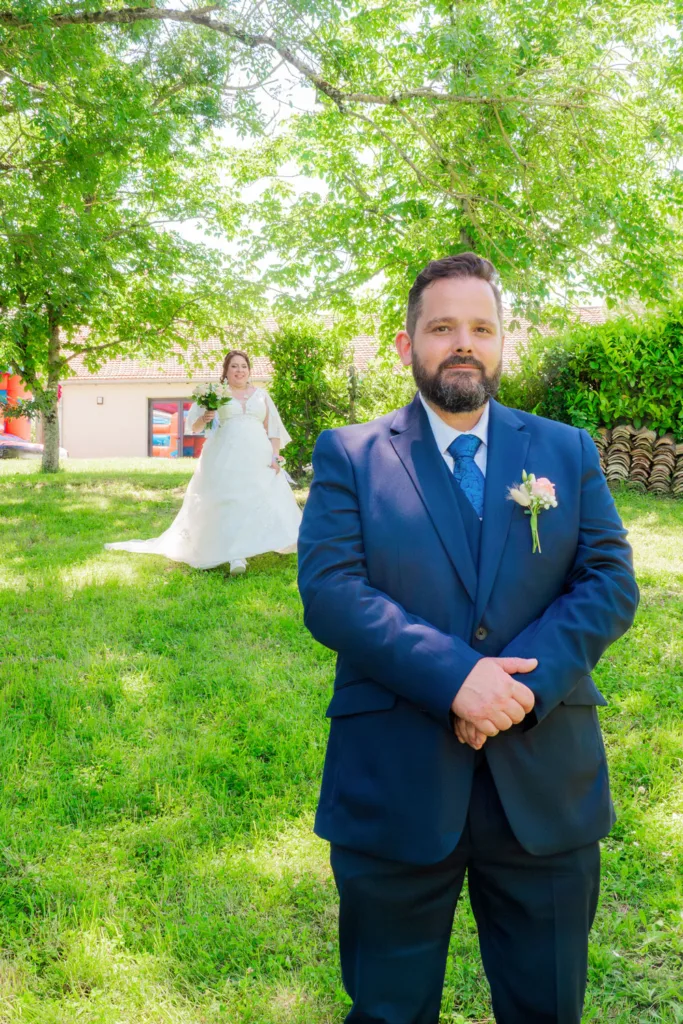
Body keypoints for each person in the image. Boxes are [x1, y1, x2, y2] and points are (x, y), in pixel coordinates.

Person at [297, 254, 639, 1024]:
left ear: (502, 341)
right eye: (442, 328)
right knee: (388, 1011)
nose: (463, 343)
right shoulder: (350, 454)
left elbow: (609, 582)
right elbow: (331, 592)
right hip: (394, 782)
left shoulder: (565, 450)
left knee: (546, 1007)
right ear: (405, 344)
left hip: (543, 781)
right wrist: (457, 678)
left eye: (481, 328)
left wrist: (517, 689)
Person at [106, 349, 301, 574]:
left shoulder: (261, 395)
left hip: (258, 454)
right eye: (234, 366)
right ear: (226, 371)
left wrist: (275, 456)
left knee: (261, 497)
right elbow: (195, 427)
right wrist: (205, 416)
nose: (239, 370)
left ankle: (267, 541)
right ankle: (236, 556)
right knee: (229, 500)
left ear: (249, 370)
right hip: (226, 453)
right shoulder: (215, 394)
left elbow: (273, 429)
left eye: (244, 366)